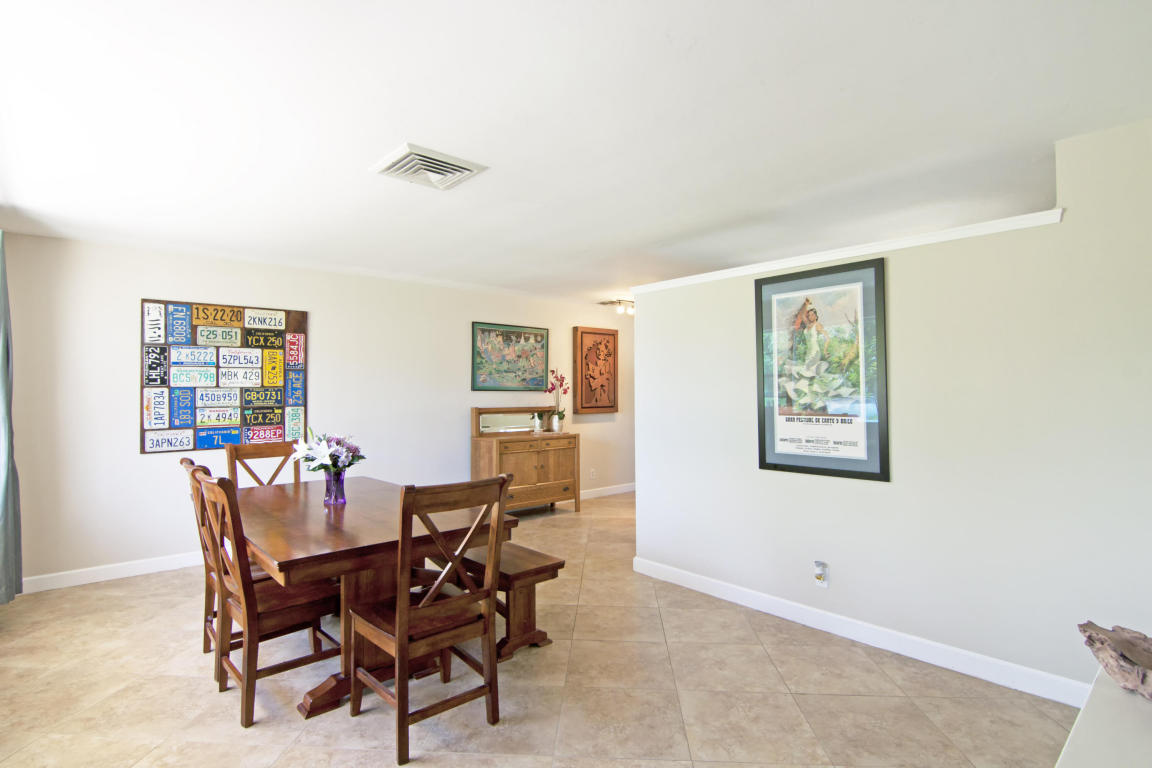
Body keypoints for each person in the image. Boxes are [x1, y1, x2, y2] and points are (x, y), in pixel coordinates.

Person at [791, 297, 829, 367]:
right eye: (809, 315)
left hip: (815, 352)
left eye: (812, 315)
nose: (810, 317)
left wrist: (825, 350)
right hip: (809, 352)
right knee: (807, 370)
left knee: (807, 368)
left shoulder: (817, 325)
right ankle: (819, 366)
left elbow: (827, 338)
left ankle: (821, 365)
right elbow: (802, 315)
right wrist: (806, 304)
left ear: (816, 316)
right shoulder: (808, 324)